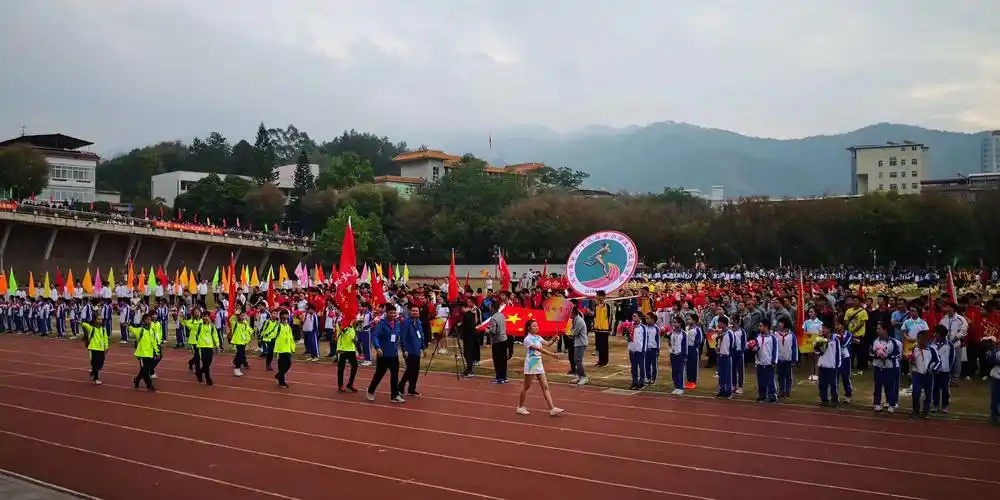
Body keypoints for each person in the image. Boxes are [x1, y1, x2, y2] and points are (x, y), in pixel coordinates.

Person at [515, 320, 564, 416]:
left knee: (545, 386)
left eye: (537, 326)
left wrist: (554, 339)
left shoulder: (538, 337)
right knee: (526, 386)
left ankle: (552, 409)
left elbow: (548, 344)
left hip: (538, 362)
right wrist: (552, 354)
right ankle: (520, 407)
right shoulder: (527, 339)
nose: (536, 327)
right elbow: (539, 349)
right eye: (534, 326)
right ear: (529, 328)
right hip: (531, 363)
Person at [367, 307, 403, 402]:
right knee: (379, 374)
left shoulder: (397, 324)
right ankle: (370, 391)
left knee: (395, 376)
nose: (393, 315)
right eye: (391, 313)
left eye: (394, 313)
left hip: (394, 354)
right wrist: (377, 347)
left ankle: (394, 395)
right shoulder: (381, 324)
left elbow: (398, 336)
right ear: (386, 313)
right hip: (383, 354)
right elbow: (375, 335)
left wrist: (402, 348)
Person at [870, 322, 902, 413]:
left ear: (885, 330)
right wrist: (877, 355)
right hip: (878, 366)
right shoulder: (875, 341)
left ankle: (891, 404)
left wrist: (887, 356)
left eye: (879, 329)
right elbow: (870, 352)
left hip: (889, 367)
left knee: (890, 386)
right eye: (877, 329)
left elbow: (898, 354)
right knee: (878, 385)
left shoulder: (893, 342)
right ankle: (877, 404)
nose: (877, 331)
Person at [909, 330, 939, 419]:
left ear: (926, 339)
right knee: (915, 393)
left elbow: (938, 362)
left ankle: (926, 411)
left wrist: (932, 369)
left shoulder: (932, 350)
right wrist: (911, 361)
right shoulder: (915, 348)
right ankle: (916, 410)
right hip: (917, 375)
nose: (918, 341)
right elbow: (913, 359)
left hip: (928, 375)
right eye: (918, 339)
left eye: (920, 339)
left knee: (928, 394)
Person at [399, 305, 427, 397]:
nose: (415, 312)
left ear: (419, 313)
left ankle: (412, 389)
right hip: (409, 350)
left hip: (417, 350)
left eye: (416, 311)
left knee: (416, 370)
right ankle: (401, 385)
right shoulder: (406, 322)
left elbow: (421, 336)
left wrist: (423, 348)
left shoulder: (418, 322)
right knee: (410, 369)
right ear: (410, 312)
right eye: (413, 311)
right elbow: (402, 337)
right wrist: (404, 349)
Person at [129, 314, 159, 391]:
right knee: (145, 372)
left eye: (150, 320)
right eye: (147, 320)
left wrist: (156, 351)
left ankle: (136, 379)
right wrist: (128, 325)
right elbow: (131, 329)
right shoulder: (140, 330)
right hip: (142, 355)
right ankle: (149, 385)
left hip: (150, 354)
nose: (149, 321)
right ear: (143, 321)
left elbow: (154, 342)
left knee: (144, 370)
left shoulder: (152, 331)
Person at [930, 324, 956, 414]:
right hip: (934, 370)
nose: (934, 334)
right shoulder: (931, 344)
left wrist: (948, 368)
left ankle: (945, 405)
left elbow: (952, 357)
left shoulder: (949, 345)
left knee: (945, 389)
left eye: (936, 333)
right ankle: (935, 405)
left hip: (945, 371)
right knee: (935, 388)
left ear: (941, 334)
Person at [816, 325, 841, 407]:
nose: (822, 329)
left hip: (832, 367)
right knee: (822, 384)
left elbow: (838, 353)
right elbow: (818, 352)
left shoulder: (835, 340)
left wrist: (837, 365)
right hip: (823, 366)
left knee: (833, 384)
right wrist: (819, 343)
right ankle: (824, 400)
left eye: (824, 328)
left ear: (829, 329)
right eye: (822, 328)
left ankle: (834, 400)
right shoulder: (821, 339)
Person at [753, 319, 778, 403]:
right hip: (760, 363)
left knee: (770, 381)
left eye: (761, 326)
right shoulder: (757, 337)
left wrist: (774, 361)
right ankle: (762, 395)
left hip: (768, 363)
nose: (759, 327)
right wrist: (753, 349)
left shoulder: (772, 338)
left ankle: (772, 395)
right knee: (761, 381)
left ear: (766, 327)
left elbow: (775, 350)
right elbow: (755, 348)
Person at [193, 311, 220, 385]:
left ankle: (199, 372)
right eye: (204, 316)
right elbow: (192, 329)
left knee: (209, 362)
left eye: (206, 316)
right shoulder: (199, 326)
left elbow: (215, 336)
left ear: (209, 317)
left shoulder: (212, 326)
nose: (205, 318)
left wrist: (217, 345)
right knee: (205, 362)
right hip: (202, 347)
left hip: (210, 346)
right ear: (201, 318)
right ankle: (208, 378)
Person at [80, 317, 110, 385]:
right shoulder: (92, 328)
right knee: (94, 364)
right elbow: (86, 325)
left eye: (101, 319)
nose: (100, 321)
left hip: (101, 349)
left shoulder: (103, 329)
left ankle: (93, 372)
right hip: (93, 348)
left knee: (101, 364)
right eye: (98, 319)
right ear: (96, 320)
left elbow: (105, 338)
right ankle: (96, 379)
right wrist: (81, 323)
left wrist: (106, 347)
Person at [486, 302, 509, 384]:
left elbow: (493, 331)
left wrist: (487, 330)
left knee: (497, 360)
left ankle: (499, 377)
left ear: (493, 308)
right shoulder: (502, 315)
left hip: (497, 341)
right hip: (504, 339)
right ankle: (504, 377)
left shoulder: (493, 318)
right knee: (503, 360)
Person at [272, 309, 295, 388]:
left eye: (287, 314)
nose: (286, 316)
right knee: (281, 366)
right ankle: (282, 382)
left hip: (287, 349)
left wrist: (292, 348)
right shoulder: (278, 326)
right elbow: (273, 335)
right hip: (280, 349)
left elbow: (291, 338)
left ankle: (279, 375)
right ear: (281, 316)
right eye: (284, 315)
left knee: (288, 364)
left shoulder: (288, 327)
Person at [337, 320, 361, 393]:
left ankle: (350, 384)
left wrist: (355, 339)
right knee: (341, 368)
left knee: (355, 365)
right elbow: (340, 332)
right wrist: (343, 327)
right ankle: (340, 385)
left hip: (351, 349)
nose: (354, 321)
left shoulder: (352, 328)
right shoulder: (341, 324)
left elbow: (353, 340)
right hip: (342, 349)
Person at [716, 316, 736, 399]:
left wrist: (729, 354)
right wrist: (717, 348)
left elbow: (733, 345)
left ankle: (728, 391)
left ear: (723, 323)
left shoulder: (730, 333)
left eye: (719, 323)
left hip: (727, 356)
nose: (718, 324)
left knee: (728, 375)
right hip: (720, 355)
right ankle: (722, 390)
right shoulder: (720, 333)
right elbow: (718, 343)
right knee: (721, 374)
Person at [592, 291, 614, 367]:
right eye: (597, 296)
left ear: (604, 297)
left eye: (600, 296)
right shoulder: (596, 306)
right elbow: (595, 316)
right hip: (597, 329)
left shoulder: (607, 306)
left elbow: (610, 317)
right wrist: (594, 326)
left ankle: (605, 361)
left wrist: (609, 328)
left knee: (604, 346)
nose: (598, 297)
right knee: (599, 345)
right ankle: (600, 361)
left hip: (605, 329)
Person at [667, 316, 687, 395]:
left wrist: (685, 356)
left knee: (680, 371)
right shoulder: (672, 333)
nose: (674, 324)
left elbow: (685, 345)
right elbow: (671, 343)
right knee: (674, 372)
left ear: (680, 323)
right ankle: (676, 387)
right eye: (673, 322)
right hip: (673, 354)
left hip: (680, 355)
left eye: (675, 322)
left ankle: (681, 388)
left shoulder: (684, 334)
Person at [569, 305, 589, 386]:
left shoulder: (579, 321)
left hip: (581, 343)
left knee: (578, 360)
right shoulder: (575, 320)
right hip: (578, 342)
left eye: (570, 313)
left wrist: (569, 333)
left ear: (573, 313)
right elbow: (572, 330)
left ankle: (584, 377)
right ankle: (579, 376)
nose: (569, 315)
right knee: (576, 360)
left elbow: (574, 333)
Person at [229, 310, 253, 376]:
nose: (243, 317)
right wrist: (236, 314)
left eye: (243, 315)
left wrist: (248, 340)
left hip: (244, 342)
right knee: (240, 355)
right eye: (241, 316)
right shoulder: (235, 323)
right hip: (237, 341)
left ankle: (235, 362)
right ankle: (237, 369)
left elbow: (250, 331)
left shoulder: (245, 324)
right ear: (238, 316)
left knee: (241, 355)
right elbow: (231, 319)